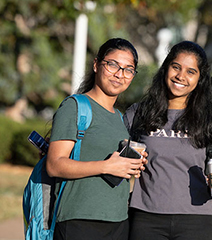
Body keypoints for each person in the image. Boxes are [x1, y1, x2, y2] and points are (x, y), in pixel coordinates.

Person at [123, 41, 212, 240]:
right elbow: (116, 157)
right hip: (147, 218)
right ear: (166, 68)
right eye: (176, 67)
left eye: (191, 71)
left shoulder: (208, 123)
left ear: (200, 79)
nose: (181, 76)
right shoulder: (138, 114)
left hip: (196, 221)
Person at [46, 38, 147, 240]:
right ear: (95, 64)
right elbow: (54, 165)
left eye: (128, 69)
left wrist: (133, 163)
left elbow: (116, 167)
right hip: (79, 222)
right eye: (112, 65)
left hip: (118, 221)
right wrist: (105, 166)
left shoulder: (119, 117)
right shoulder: (75, 107)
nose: (120, 74)